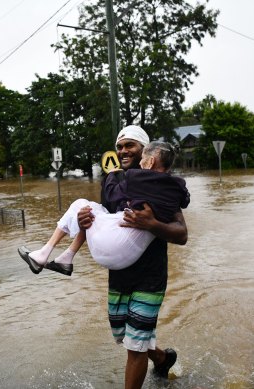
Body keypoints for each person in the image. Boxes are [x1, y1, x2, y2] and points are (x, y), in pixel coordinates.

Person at [77, 125, 188, 389]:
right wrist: (85, 220)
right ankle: (162, 358)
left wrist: (152, 224)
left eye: (131, 146)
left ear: (145, 151)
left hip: (150, 277)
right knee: (125, 335)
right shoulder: (112, 181)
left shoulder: (161, 184)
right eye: (120, 146)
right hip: (119, 274)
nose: (123, 151)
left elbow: (182, 234)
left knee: (135, 346)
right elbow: (102, 220)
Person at [18, 141, 190, 275]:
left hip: (116, 247)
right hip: (130, 255)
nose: (141, 163)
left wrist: (112, 174)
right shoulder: (178, 186)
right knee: (89, 211)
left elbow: (112, 193)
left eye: (143, 158)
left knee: (82, 205)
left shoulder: (135, 177)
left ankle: (43, 254)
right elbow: (185, 201)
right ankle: (66, 258)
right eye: (119, 146)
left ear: (151, 161)